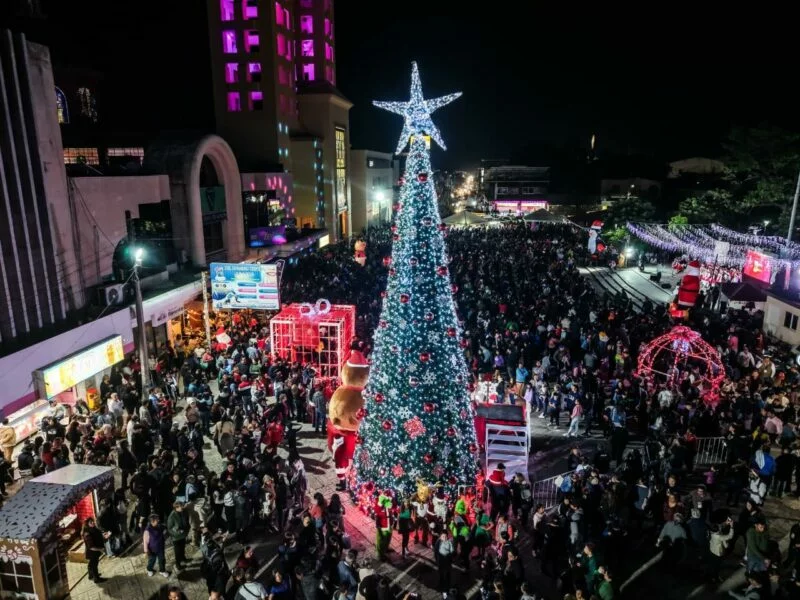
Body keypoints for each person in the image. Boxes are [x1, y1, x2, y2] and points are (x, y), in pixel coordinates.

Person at [143, 513, 170, 577]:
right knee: (152, 560)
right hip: (152, 549)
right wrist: (146, 551)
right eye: (156, 520)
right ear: (152, 521)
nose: (158, 520)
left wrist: (166, 532)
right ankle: (149, 569)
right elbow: (145, 541)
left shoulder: (160, 526)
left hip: (160, 547)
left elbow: (165, 529)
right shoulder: (147, 530)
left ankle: (162, 571)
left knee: (162, 559)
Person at [82, 517, 108, 583]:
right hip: (92, 552)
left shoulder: (93, 529)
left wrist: (103, 535)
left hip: (95, 551)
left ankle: (91, 575)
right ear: (87, 524)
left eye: (93, 521)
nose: (93, 522)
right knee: (94, 565)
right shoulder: (87, 534)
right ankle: (96, 579)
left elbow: (97, 535)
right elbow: (91, 547)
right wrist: (100, 549)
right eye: (91, 522)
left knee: (91, 563)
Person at [167, 501, 190, 570]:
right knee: (177, 551)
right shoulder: (172, 516)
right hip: (176, 537)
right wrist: (178, 532)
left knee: (182, 548)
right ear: (176, 508)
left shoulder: (183, 512)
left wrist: (187, 530)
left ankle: (183, 558)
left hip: (183, 535)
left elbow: (186, 521)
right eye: (181, 506)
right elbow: (169, 528)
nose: (183, 507)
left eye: (182, 506)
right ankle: (178, 564)